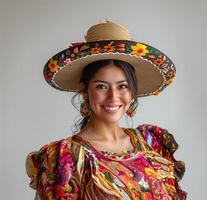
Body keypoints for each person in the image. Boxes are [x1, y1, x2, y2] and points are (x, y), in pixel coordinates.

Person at [26, 20, 187, 200]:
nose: (113, 97)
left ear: (133, 92)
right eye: (101, 86)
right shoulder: (65, 157)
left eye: (122, 86)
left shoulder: (151, 143)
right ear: (85, 91)